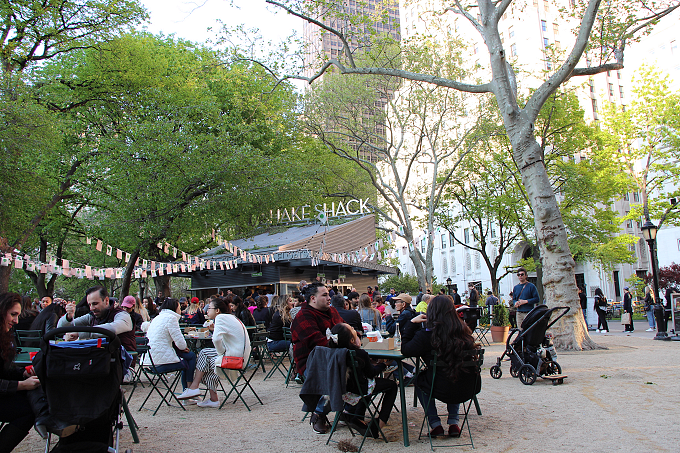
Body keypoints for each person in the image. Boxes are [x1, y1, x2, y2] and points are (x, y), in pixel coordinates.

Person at [401, 295, 481, 438]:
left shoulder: (426, 336)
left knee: (420, 380)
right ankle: (453, 422)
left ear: (431, 312)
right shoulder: (464, 332)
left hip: (440, 387)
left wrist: (412, 323)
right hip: (468, 386)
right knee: (454, 371)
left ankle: (435, 424)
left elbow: (405, 350)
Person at [327, 323, 398, 438]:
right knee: (392, 385)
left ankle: (358, 418)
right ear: (351, 340)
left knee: (365, 383)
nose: (354, 328)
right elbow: (371, 373)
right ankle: (380, 423)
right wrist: (384, 365)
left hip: (341, 390)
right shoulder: (359, 353)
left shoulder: (333, 352)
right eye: (351, 329)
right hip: (358, 390)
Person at [176, 298, 251, 407]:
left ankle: (194, 387)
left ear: (217, 310)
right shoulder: (230, 317)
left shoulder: (220, 317)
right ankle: (213, 399)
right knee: (209, 364)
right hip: (241, 356)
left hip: (235, 358)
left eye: (209, 308)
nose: (207, 310)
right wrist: (214, 330)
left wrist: (220, 353)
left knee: (204, 353)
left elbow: (216, 339)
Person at [290, 282, 343, 434]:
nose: (329, 298)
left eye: (328, 294)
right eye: (324, 295)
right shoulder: (303, 316)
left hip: (336, 358)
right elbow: (318, 342)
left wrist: (352, 335)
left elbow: (344, 329)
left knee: (358, 373)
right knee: (335, 379)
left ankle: (352, 412)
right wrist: (345, 340)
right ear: (313, 298)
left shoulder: (332, 311)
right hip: (311, 363)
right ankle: (318, 414)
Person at [0, 292, 42, 452]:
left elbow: (3, 371)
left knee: (32, 402)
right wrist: (21, 385)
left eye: (17, 315)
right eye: (13, 314)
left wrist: (23, 373)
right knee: (28, 410)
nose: (16, 321)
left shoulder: (4, 336)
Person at [58, 286, 136, 354]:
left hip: (121, 361)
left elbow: (113, 328)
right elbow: (61, 328)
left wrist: (81, 333)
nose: (91, 308)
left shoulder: (122, 315)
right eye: (89, 304)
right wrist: (68, 317)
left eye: (95, 304)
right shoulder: (92, 316)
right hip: (99, 359)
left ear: (106, 300)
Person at [143, 298, 197, 395]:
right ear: (174, 308)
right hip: (160, 362)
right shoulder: (171, 318)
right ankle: (189, 389)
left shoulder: (157, 318)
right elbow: (182, 344)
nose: (180, 310)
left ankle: (187, 391)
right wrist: (181, 348)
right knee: (191, 357)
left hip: (149, 361)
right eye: (179, 308)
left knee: (188, 357)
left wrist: (179, 348)